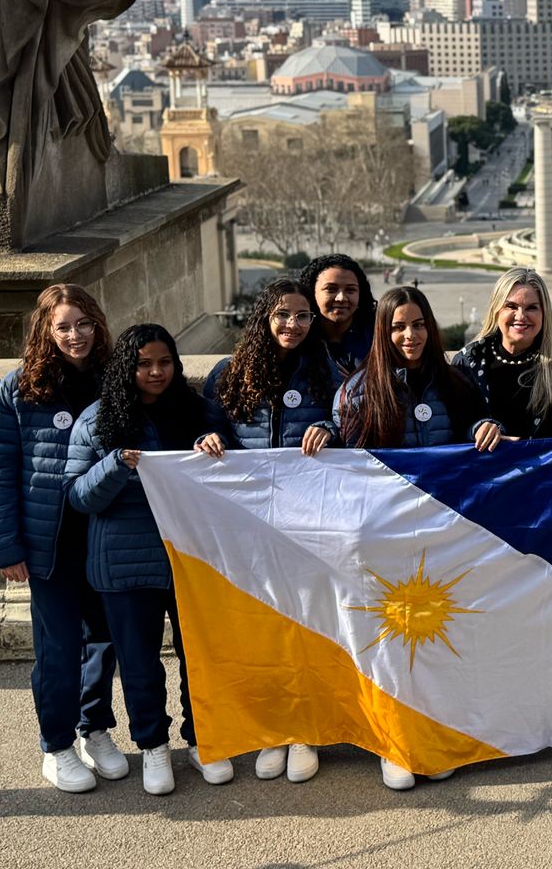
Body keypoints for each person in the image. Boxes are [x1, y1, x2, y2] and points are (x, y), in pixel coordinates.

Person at [331, 285, 496, 791]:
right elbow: (343, 466)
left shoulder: (458, 383)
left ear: (432, 327)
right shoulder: (357, 391)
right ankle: (394, 744)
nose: (410, 335)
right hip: (384, 542)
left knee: (439, 644)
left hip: (445, 537)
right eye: (399, 326)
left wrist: (489, 424)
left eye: (419, 324)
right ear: (383, 331)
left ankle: (435, 738)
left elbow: (478, 429)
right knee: (391, 647)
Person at [66, 323, 230, 796]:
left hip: (191, 558)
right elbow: (79, 497)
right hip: (123, 563)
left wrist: (218, 450)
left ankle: (203, 740)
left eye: (165, 362)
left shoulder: (201, 411)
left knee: (197, 656)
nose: (156, 372)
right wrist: (115, 464)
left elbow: (236, 481)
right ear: (126, 367)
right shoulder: (96, 421)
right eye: (144, 364)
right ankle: (153, 746)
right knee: (139, 662)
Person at [0, 284, 122, 793]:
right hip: (50, 542)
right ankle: (56, 744)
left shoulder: (115, 380)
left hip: (105, 538)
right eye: (62, 326)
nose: (75, 335)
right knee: (58, 647)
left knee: (103, 643)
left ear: (97, 324)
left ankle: (94, 728)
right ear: (45, 330)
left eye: (83, 324)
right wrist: (7, 547)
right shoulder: (19, 389)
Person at [195, 277, 338, 785]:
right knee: (262, 628)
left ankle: (305, 730)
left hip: (309, 523)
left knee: (307, 626)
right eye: (282, 314)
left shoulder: (328, 372)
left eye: (302, 316)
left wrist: (335, 431)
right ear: (264, 318)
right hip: (249, 525)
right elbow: (206, 426)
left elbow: (352, 425)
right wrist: (205, 437)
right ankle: (271, 728)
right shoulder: (227, 374)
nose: (293, 325)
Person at [453, 268, 552, 443]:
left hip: (547, 469)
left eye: (532, 308)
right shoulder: (468, 363)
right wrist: (477, 429)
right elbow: (452, 429)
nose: (521, 316)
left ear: (544, 314)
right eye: (511, 306)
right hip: (489, 468)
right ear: (496, 310)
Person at [299, 254, 376, 378]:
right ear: (311, 292)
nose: (341, 298)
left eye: (350, 290)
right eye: (331, 289)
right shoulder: (297, 339)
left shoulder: (377, 338)